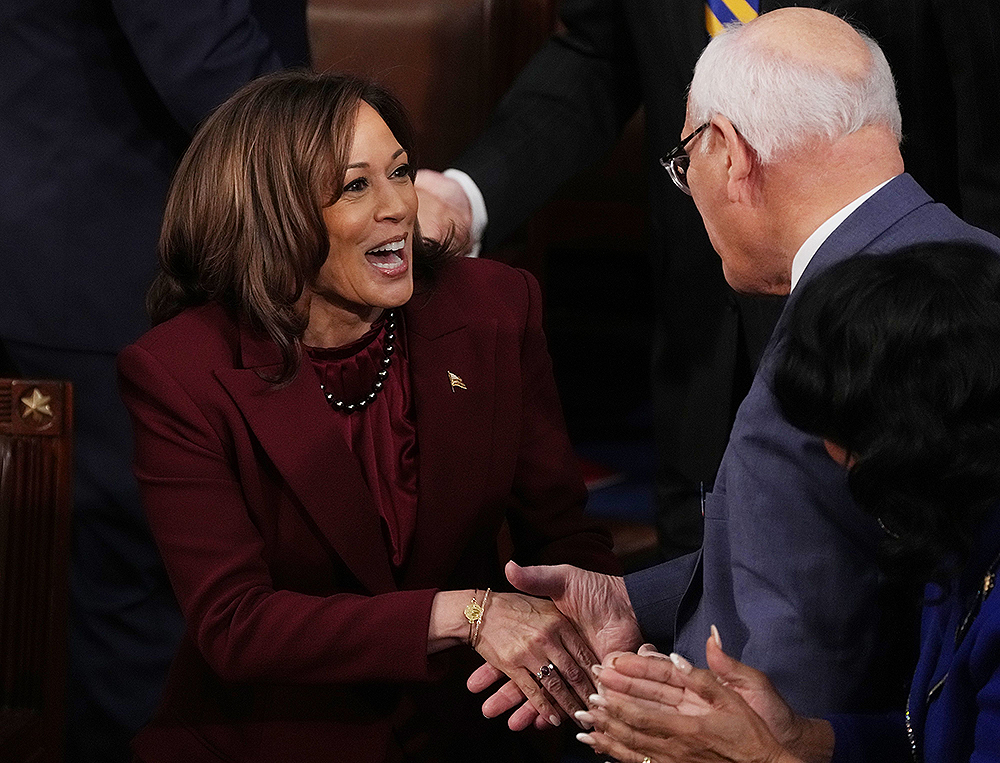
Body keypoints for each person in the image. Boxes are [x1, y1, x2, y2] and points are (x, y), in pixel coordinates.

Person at [468, 7, 1000, 729]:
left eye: (686, 161)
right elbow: (847, 556)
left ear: (729, 152)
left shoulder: (823, 362)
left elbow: (783, 701)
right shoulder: (972, 267)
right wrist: (633, 600)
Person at [116, 70, 623, 763]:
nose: (399, 208)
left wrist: (597, 644)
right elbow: (236, 623)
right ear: (275, 215)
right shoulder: (181, 372)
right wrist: (466, 612)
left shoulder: (494, 309)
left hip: (470, 728)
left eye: (401, 172)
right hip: (270, 739)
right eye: (357, 186)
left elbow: (564, 541)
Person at [0, 2, 309, 761]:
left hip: (86, 257)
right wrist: (353, 173)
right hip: (107, 277)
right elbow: (203, 51)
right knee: (137, 615)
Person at [577, 242, 1000, 763]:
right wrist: (794, 736)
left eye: (857, 446)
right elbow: (927, 742)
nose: (839, 463)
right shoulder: (957, 538)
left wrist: (764, 759)